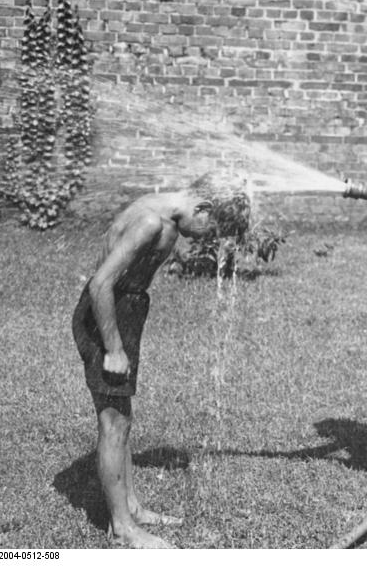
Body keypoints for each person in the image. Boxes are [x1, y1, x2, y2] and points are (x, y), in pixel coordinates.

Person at [72, 177, 249, 548]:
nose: (207, 238)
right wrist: (114, 349)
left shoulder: (166, 212)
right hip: (106, 317)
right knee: (113, 422)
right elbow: (100, 284)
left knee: (123, 416)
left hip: (125, 311)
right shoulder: (151, 222)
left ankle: (131, 507)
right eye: (212, 228)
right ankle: (122, 527)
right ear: (202, 208)